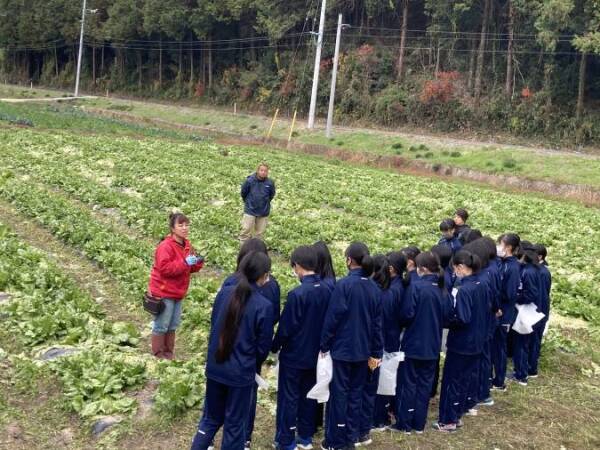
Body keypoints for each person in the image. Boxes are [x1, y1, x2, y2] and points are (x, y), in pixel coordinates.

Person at [191, 252, 274, 450]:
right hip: (241, 373)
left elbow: (214, 325)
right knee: (235, 425)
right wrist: (252, 363)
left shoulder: (224, 292)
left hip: (215, 366)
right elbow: (262, 347)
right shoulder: (264, 305)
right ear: (263, 275)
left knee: (210, 419)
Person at [320, 242, 383, 450]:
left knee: (339, 395)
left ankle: (335, 440)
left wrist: (324, 345)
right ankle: (351, 436)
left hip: (343, 351)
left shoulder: (344, 285)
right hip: (363, 351)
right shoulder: (374, 288)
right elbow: (377, 324)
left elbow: (332, 318)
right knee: (356, 394)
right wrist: (376, 352)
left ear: (349, 260)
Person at [272, 246, 333, 450]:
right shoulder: (327, 290)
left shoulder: (297, 294)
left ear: (298, 266)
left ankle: (286, 439)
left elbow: (286, 327)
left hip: (294, 355)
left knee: (289, 398)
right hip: (316, 354)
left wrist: (275, 345)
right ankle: (305, 437)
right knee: (309, 395)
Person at [222, 239, 281, 450]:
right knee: (248, 392)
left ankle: (224, 433)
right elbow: (273, 316)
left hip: (228, 344)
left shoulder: (231, 281)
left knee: (223, 388)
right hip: (252, 350)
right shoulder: (272, 285)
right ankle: (244, 437)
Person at [394, 252, 451, 435]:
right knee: (424, 385)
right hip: (433, 345)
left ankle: (404, 423)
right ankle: (419, 423)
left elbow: (406, 315)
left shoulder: (417, 287)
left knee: (408, 384)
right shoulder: (443, 289)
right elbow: (448, 316)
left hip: (413, 344)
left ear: (423, 269)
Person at [434, 250, 488, 432]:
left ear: (461, 267)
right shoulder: (482, 284)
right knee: (464, 380)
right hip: (478, 340)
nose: (454, 272)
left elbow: (463, 318)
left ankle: (448, 420)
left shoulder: (465, 290)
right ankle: (456, 414)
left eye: (455, 268)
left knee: (451, 382)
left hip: (462, 343)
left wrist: (447, 319)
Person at [148, 212, 204, 359]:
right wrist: (185, 263)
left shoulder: (187, 245)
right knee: (161, 324)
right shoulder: (165, 246)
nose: (185, 228)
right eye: (181, 225)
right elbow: (165, 269)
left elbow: (190, 269)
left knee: (172, 325)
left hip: (178, 291)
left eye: (187, 225)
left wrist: (198, 262)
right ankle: (158, 355)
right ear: (173, 228)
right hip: (164, 291)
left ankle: (168, 353)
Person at [372, 252, 407, 431]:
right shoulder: (397, 286)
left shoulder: (391, 292)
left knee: (381, 380)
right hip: (391, 338)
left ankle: (378, 417)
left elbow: (383, 321)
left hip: (386, 341)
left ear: (391, 269)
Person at [491, 233, 521, 392]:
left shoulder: (513, 267)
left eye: (500, 244)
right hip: (497, 310)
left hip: (503, 312)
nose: (498, 247)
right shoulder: (502, 262)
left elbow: (510, 293)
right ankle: (492, 378)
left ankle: (499, 380)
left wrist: (497, 303)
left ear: (508, 247)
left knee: (499, 347)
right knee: (494, 345)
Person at [510, 242, 542, 386]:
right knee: (524, 342)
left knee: (521, 343)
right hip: (530, 310)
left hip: (525, 310)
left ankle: (521, 375)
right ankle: (522, 371)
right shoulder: (535, 269)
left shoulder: (528, 272)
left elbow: (531, 294)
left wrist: (517, 298)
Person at [529, 244, 551, 378]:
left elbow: (542, 294)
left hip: (538, 309)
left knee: (534, 339)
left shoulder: (542, 272)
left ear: (540, 256)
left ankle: (531, 369)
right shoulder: (542, 270)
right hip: (540, 308)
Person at [240, 163, 276, 242]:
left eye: (265, 171)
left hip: (263, 211)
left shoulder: (270, 183)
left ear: (268, 172)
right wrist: (249, 202)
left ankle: (256, 250)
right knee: (246, 230)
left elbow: (271, 195)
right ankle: (243, 249)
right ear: (257, 170)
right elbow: (243, 193)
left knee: (259, 234)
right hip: (250, 209)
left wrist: (265, 203)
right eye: (261, 170)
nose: (263, 172)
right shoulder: (249, 181)